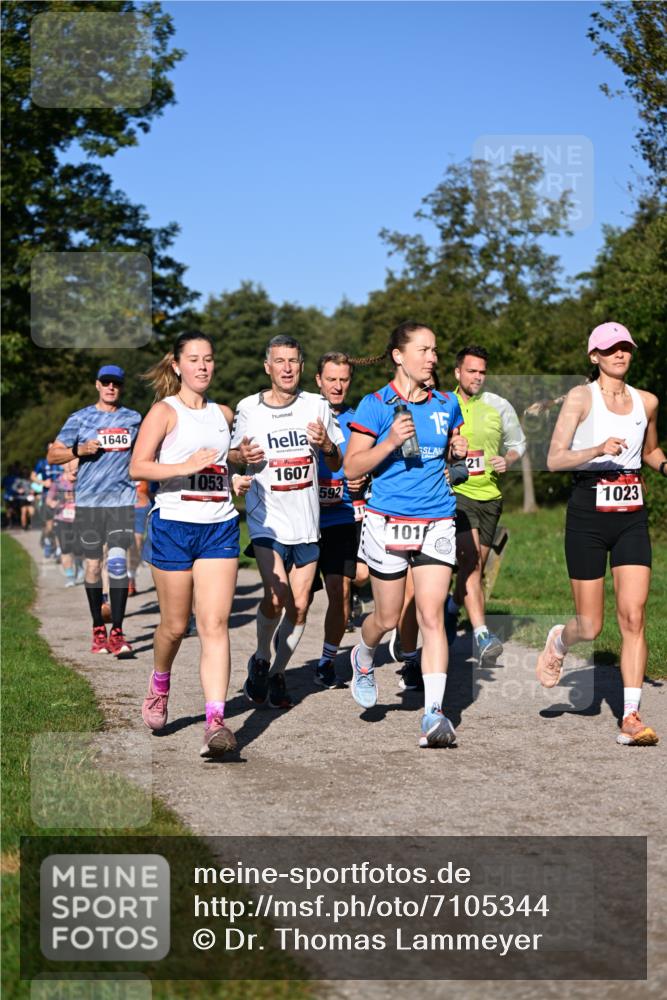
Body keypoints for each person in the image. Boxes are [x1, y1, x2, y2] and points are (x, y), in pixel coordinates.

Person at [538, 321, 664, 746]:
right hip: (588, 514)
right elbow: (554, 459)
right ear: (595, 356)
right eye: (610, 349)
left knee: (634, 616)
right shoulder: (581, 397)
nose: (620, 354)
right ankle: (560, 641)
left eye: (625, 346)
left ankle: (630, 716)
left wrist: (665, 465)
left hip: (631, 515)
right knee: (590, 626)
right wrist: (596, 449)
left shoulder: (647, 401)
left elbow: (650, 451)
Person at [344, 321, 467, 748]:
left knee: (432, 615)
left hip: (437, 519)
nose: (432, 357)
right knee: (387, 617)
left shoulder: (447, 403)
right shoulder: (375, 405)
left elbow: (453, 454)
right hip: (386, 520)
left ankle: (434, 714)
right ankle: (363, 655)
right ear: (399, 356)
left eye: (435, 350)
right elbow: (352, 467)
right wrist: (389, 442)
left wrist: (457, 452)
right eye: (424, 350)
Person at [130, 332, 251, 758]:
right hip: (174, 526)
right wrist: (185, 465)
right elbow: (138, 466)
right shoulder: (165, 411)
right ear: (177, 365)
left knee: (214, 624)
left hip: (218, 525)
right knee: (175, 626)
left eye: (209, 359)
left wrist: (234, 476)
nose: (203, 366)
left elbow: (218, 466)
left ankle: (215, 722)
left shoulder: (223, 414)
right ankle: (160, 682)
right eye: (194, 359)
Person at [228, 335, 344, 710]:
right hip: (267, 520)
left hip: (307, 523)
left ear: (302, 366)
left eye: (293, 361)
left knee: (300, 606)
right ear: (268, 367)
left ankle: (276, 672)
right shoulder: (249, 408)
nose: (287, 367)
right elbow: (231, 454)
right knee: (276, 597)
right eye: (280, 361)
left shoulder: (317, 405)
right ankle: (262, 656)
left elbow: (337, 461)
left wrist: (327, 445)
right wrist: (240, 460)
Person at [47, 365, 141, 656]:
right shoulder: (80, 418)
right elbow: (53, 454)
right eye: (106, 382)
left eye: (116, 383)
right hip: (89, 503)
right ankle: (98, 628)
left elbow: (147, 452)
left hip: (121, 502)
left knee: (117, 564)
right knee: (92, 566)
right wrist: (79, 450)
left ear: (121, 387)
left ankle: (118, 633)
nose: (111, 387)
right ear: (97, 385)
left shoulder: (134, 419)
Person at [445, 346, 526, 663]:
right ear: (457, 373)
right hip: (457, 493)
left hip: (490, 497)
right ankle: (482, 634)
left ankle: (452, 606)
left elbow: (518, 443)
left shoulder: (499, 406)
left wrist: (508, 459)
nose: (477, 377)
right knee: (471, 563)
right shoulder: (443, 404)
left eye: (482, 372)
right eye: (471, 371)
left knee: (471, 567)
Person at [312, 352, 370, 687]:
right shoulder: (304, 414)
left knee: (340, 590)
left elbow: (374, 460)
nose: (337, 386)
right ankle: (268, 657)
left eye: (343, 380)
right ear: (318, 380)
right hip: (303, 519)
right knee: (295, 601)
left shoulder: (358, 421)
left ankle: (326, 661)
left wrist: (365, 477)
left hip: (342, 518)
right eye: (331, 379)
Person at [45, 460, 83, 586]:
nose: (71, 466)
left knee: (78, 548)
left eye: (74, 463)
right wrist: (58, 501)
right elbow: (49, 500)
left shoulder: (81, 479)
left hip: (79, 518)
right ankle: (70, 576)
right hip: (61, 519)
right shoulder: (57, 482)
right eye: (68, 463)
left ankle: (79, 566)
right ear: (63, 465)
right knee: (65, 549)